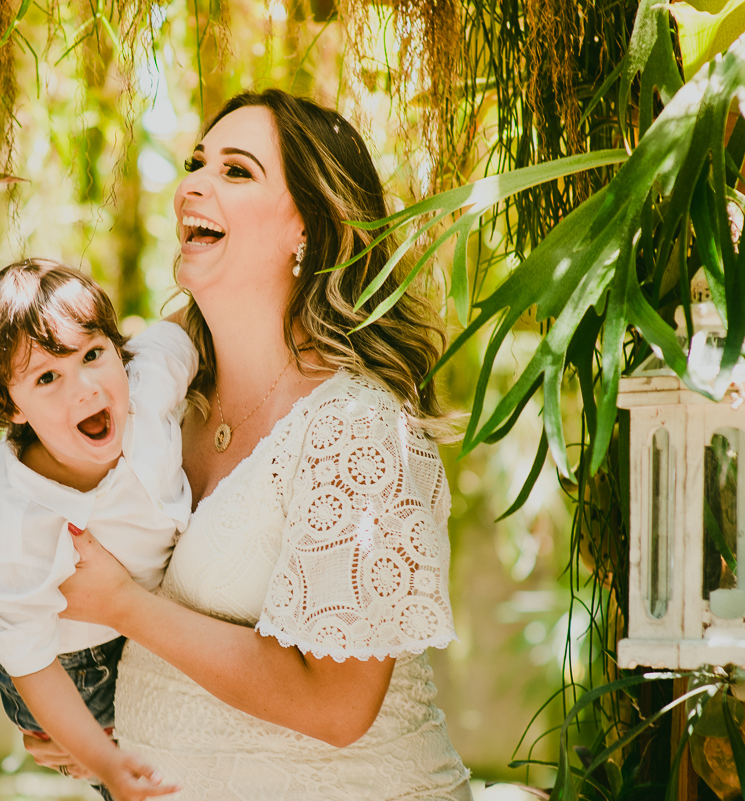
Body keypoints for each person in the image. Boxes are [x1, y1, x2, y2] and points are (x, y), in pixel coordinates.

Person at [27, 90, 473, 799]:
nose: (192, 185)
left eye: (237, 170)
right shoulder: (158, 402)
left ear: (308, 225)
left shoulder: (359, 429)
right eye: (195, 162)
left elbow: (337, 706)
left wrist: (121, 605)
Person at [0, 259, 192, 800]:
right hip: (68, 663)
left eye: (93, 354)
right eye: (48, 377)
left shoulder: (147, 385)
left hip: (132, 615)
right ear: (11, 406)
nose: (85, 388)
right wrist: (104, 761)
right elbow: (30, 661)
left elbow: (189, 330)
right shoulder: (11, 526)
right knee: (138, 777)